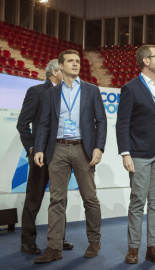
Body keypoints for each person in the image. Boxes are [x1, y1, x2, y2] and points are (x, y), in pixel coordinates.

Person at [33, 50, 106, 263]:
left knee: (90, 199)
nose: (75, 64)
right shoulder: (52, 93)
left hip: (84, 149)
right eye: (70, 61)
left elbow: (101, 121)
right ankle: (54, 247)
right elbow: (44, 123)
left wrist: (99, 147)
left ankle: (94, 241)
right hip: (57, 150)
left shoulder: (92, 90)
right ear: (61, 66)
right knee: (56, 200)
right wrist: (39, 148)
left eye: (77, 61)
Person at [116, 45, 155, 266]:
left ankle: (153, 247)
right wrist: (125, 153)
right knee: (137, 201)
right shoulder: (130, 88)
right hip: (140, 152)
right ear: (146, 61)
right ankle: (133, 248)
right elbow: (122, 123)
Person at [16, 60, 74, 254]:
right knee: (34, 199)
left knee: (59, 199)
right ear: (55, 71)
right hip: (40, 156)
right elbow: (22, 124)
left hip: (61, 154)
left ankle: (59, 239)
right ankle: (27, 242)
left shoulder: (68, 93)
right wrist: (32, 149)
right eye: (64, 67)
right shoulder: (36, 91)